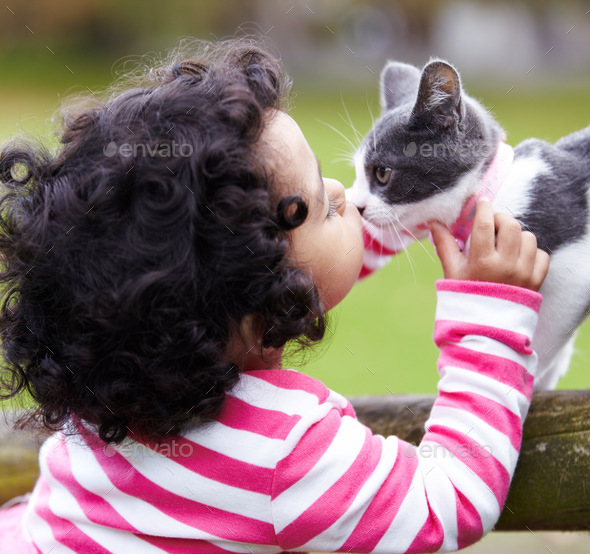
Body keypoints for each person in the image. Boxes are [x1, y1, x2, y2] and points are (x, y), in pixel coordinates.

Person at [0, 39, 549, 553]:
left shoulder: (103, 398)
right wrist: (488, 317)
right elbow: (449, 501)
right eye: (322, 203)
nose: (341, 191)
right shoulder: (285, 451)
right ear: (258, 301)